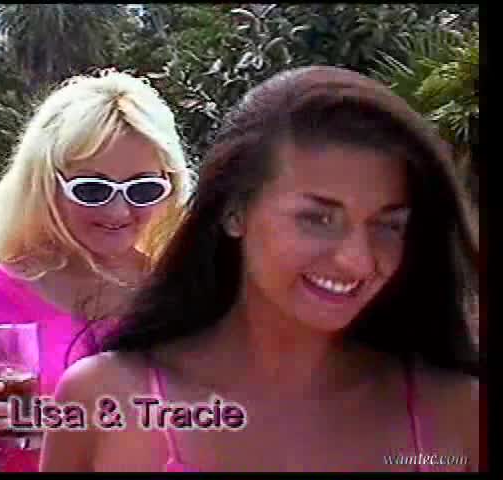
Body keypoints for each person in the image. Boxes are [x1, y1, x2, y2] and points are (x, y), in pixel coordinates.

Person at [41, 66, 480, 472]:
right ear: (235, 210)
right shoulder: (106, 399)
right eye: (318, 218)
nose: (358, 259)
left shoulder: (456, 412)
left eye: (388, 225)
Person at [0, 70, 193, 472]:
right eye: (92, 189)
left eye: (143, 189)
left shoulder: (194, 296)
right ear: (45, 185)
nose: (118, 211)